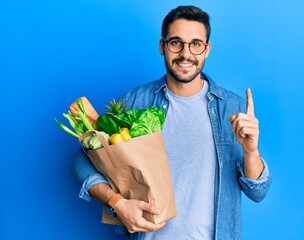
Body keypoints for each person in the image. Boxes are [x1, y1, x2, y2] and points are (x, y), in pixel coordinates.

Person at [72, 5, 271, 240]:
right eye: (176, 42)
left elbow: (258, 192)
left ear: (207, 49)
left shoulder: (231, 107)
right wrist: (118, 203)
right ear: (162, 46)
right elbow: (81, 162)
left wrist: (250, 151)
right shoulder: (136, 100)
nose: (186, 54)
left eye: (196, 44)